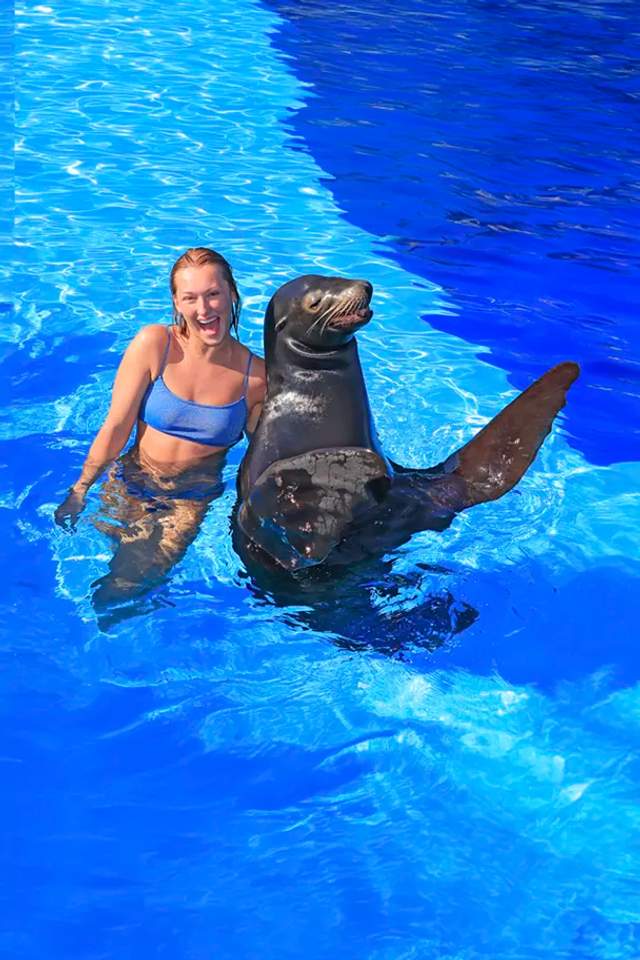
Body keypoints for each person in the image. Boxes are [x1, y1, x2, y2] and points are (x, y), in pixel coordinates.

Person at [55, 246, 266, 605]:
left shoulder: (255, 377)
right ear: (177, 303)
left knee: (133, 582)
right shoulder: (154, 344)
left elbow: (264, 459)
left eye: (214, 294)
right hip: (131, 479)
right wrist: (81, 489)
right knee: (103, 563)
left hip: (190, 498)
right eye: (191, 298)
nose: (204, 310)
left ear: (232, 293)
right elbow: (117, 426)